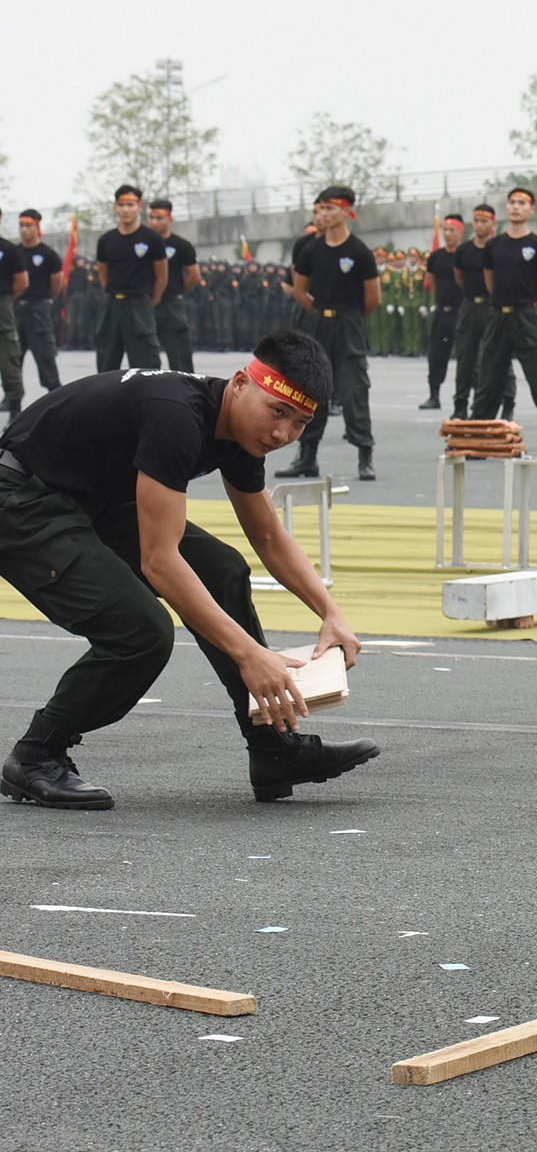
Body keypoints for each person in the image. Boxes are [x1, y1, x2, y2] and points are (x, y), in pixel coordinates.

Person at [0, 330, 379, 809]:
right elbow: (160, 562)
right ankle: (36, 754)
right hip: (22, 499)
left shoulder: (240, 431)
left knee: (223, 571)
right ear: (240, 383)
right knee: (141, 632)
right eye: (277, 411)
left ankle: (272, 748)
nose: (281, 434)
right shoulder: (177, 416)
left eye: (300, 423)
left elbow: (267, 535)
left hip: (90, 497)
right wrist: (248, 653)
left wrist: (331, 613)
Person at [282, 187, 379, 481]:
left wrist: (348, 318)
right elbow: (300, 291)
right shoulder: (311, 250)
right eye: (320, 208)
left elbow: (373, 299)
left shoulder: (359, 251)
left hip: (349, 326)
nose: (322, 214)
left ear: (347, 212)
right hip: (319, 326)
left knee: (354, 390)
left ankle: (365, 455)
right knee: (312, 391)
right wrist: (322, 313)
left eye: (329, 208)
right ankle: (307, 456)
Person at [471, 188, 537, 427]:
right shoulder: (494, 245)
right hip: (498, 318)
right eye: (512, 202)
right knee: (488, 377)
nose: (516, 207)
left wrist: (527, 303)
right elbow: (490, 282)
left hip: (525, 318)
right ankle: (478, 431)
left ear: (531, 210)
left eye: (522, 203)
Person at [95, 184, 168, 372]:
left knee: (147, 365)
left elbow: (161, 276)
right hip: (112, 305)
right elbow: (103, 274)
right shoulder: (106, 240)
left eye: (130, 205)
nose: (125, 210)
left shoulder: (151, 238)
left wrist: (148, 302)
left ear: (139, 207)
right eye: (121, 205)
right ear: (115, 207)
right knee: (106, 362)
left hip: (139, 305)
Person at [451, 204, 514, 421]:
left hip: (492, 306)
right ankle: (460, 404)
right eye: (476, 221)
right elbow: (459, 277)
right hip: (470, 306)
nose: (479, 225)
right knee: (465, 356)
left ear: (492, 223)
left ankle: (508, 404)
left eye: (484, 221)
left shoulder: (499, 248)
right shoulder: (464, 250)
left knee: (499, 355)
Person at [147, 198, 200, 373]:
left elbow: (194, 276)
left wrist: (175, 289)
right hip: (144, 305)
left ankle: (185, 388)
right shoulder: (141, 243)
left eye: (159, 218)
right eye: (151, 218)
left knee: (180, 357)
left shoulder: (181, 245)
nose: (154, 222)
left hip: (171, 306)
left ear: (170, 219)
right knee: (145, 357)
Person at [419, 212, 465, 411]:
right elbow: (431, 283)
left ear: (460, 232)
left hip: (461, 313)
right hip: (441, 314)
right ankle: (434, 395)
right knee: (436, 355)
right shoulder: (436, 257)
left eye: (451, 230)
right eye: (445, 230)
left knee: (466, 358)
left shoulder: (465, 254)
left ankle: (465, 399)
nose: (447, 234)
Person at [15, 210, 64, 394]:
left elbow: (56, 283)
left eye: (28, 225)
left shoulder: (48, 254)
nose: (24, 230)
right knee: (12, 356)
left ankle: (55, 392)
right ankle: (13, 395)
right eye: (21, 225)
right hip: (16, 309)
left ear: (37, 227)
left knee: (45, 354)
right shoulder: (14, 252)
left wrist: (44, 299)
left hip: (38, 309)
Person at [0, 210, 25, 417]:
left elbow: (22, 281)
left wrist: (6, 301)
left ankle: (14, 405)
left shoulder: (8, 249)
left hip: (2, 305)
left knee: (8, 358)